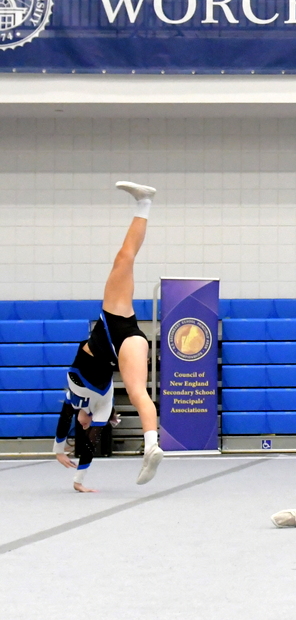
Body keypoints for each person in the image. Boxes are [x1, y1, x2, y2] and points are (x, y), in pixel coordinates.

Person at [54, 181, 164, 490]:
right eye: (86, 424)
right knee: (139, 393)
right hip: (122, 333)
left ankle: (152, 445)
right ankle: (152, 445)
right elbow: (89, 443)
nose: (84, 424)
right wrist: (78, 478)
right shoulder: (100, 408)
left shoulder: (77, 402)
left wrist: (59, 449)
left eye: (83, 424)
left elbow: (65, 420)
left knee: (124, 259)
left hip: (119, 330)